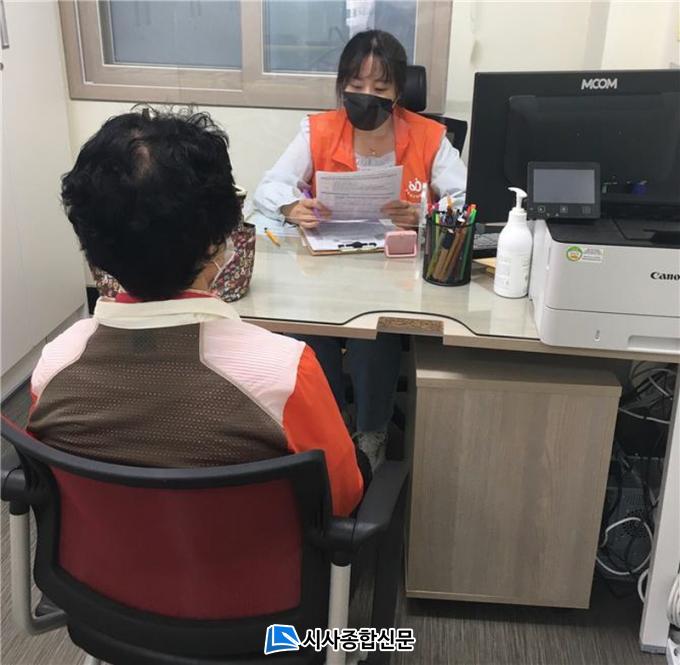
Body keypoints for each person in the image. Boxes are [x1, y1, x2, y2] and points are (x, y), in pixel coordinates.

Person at [27, 108, 364, 517]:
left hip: (95, 558)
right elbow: (341, 497)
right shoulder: (286, 373)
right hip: (245, 558)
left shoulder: (53, 367)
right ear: (216, 241)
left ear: (90, 241)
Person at [253, 30, 467, 469]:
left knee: (375, 333)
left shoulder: (429, 136)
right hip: (325, 268)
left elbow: (463, 201)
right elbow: (269, 186)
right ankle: (327, 430)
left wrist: (422, 214)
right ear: (342, 85)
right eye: (356, 84)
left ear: (399, 91)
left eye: (380, 87)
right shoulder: (318, 129)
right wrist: (292, 206)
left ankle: (372, 432)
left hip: (395, 271)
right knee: (310, 333)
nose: (366, 94)